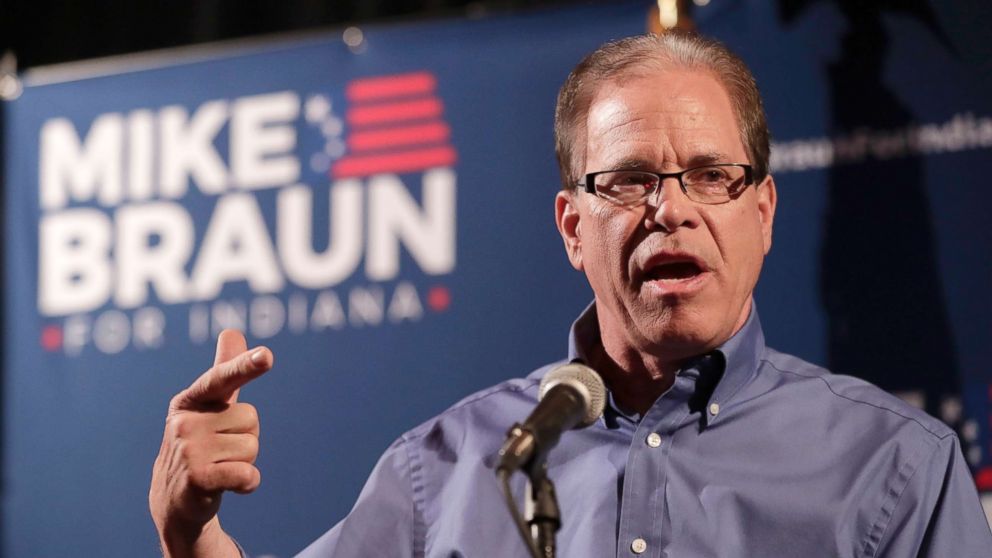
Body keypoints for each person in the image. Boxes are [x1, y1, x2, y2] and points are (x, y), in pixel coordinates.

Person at [149, 32, 992, 557]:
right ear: (572, 228)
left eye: (711, 176)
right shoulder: (441, 474)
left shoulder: (897, 468)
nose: (671, 209)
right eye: (628, 181)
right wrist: (192, 536)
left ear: (762, 213)